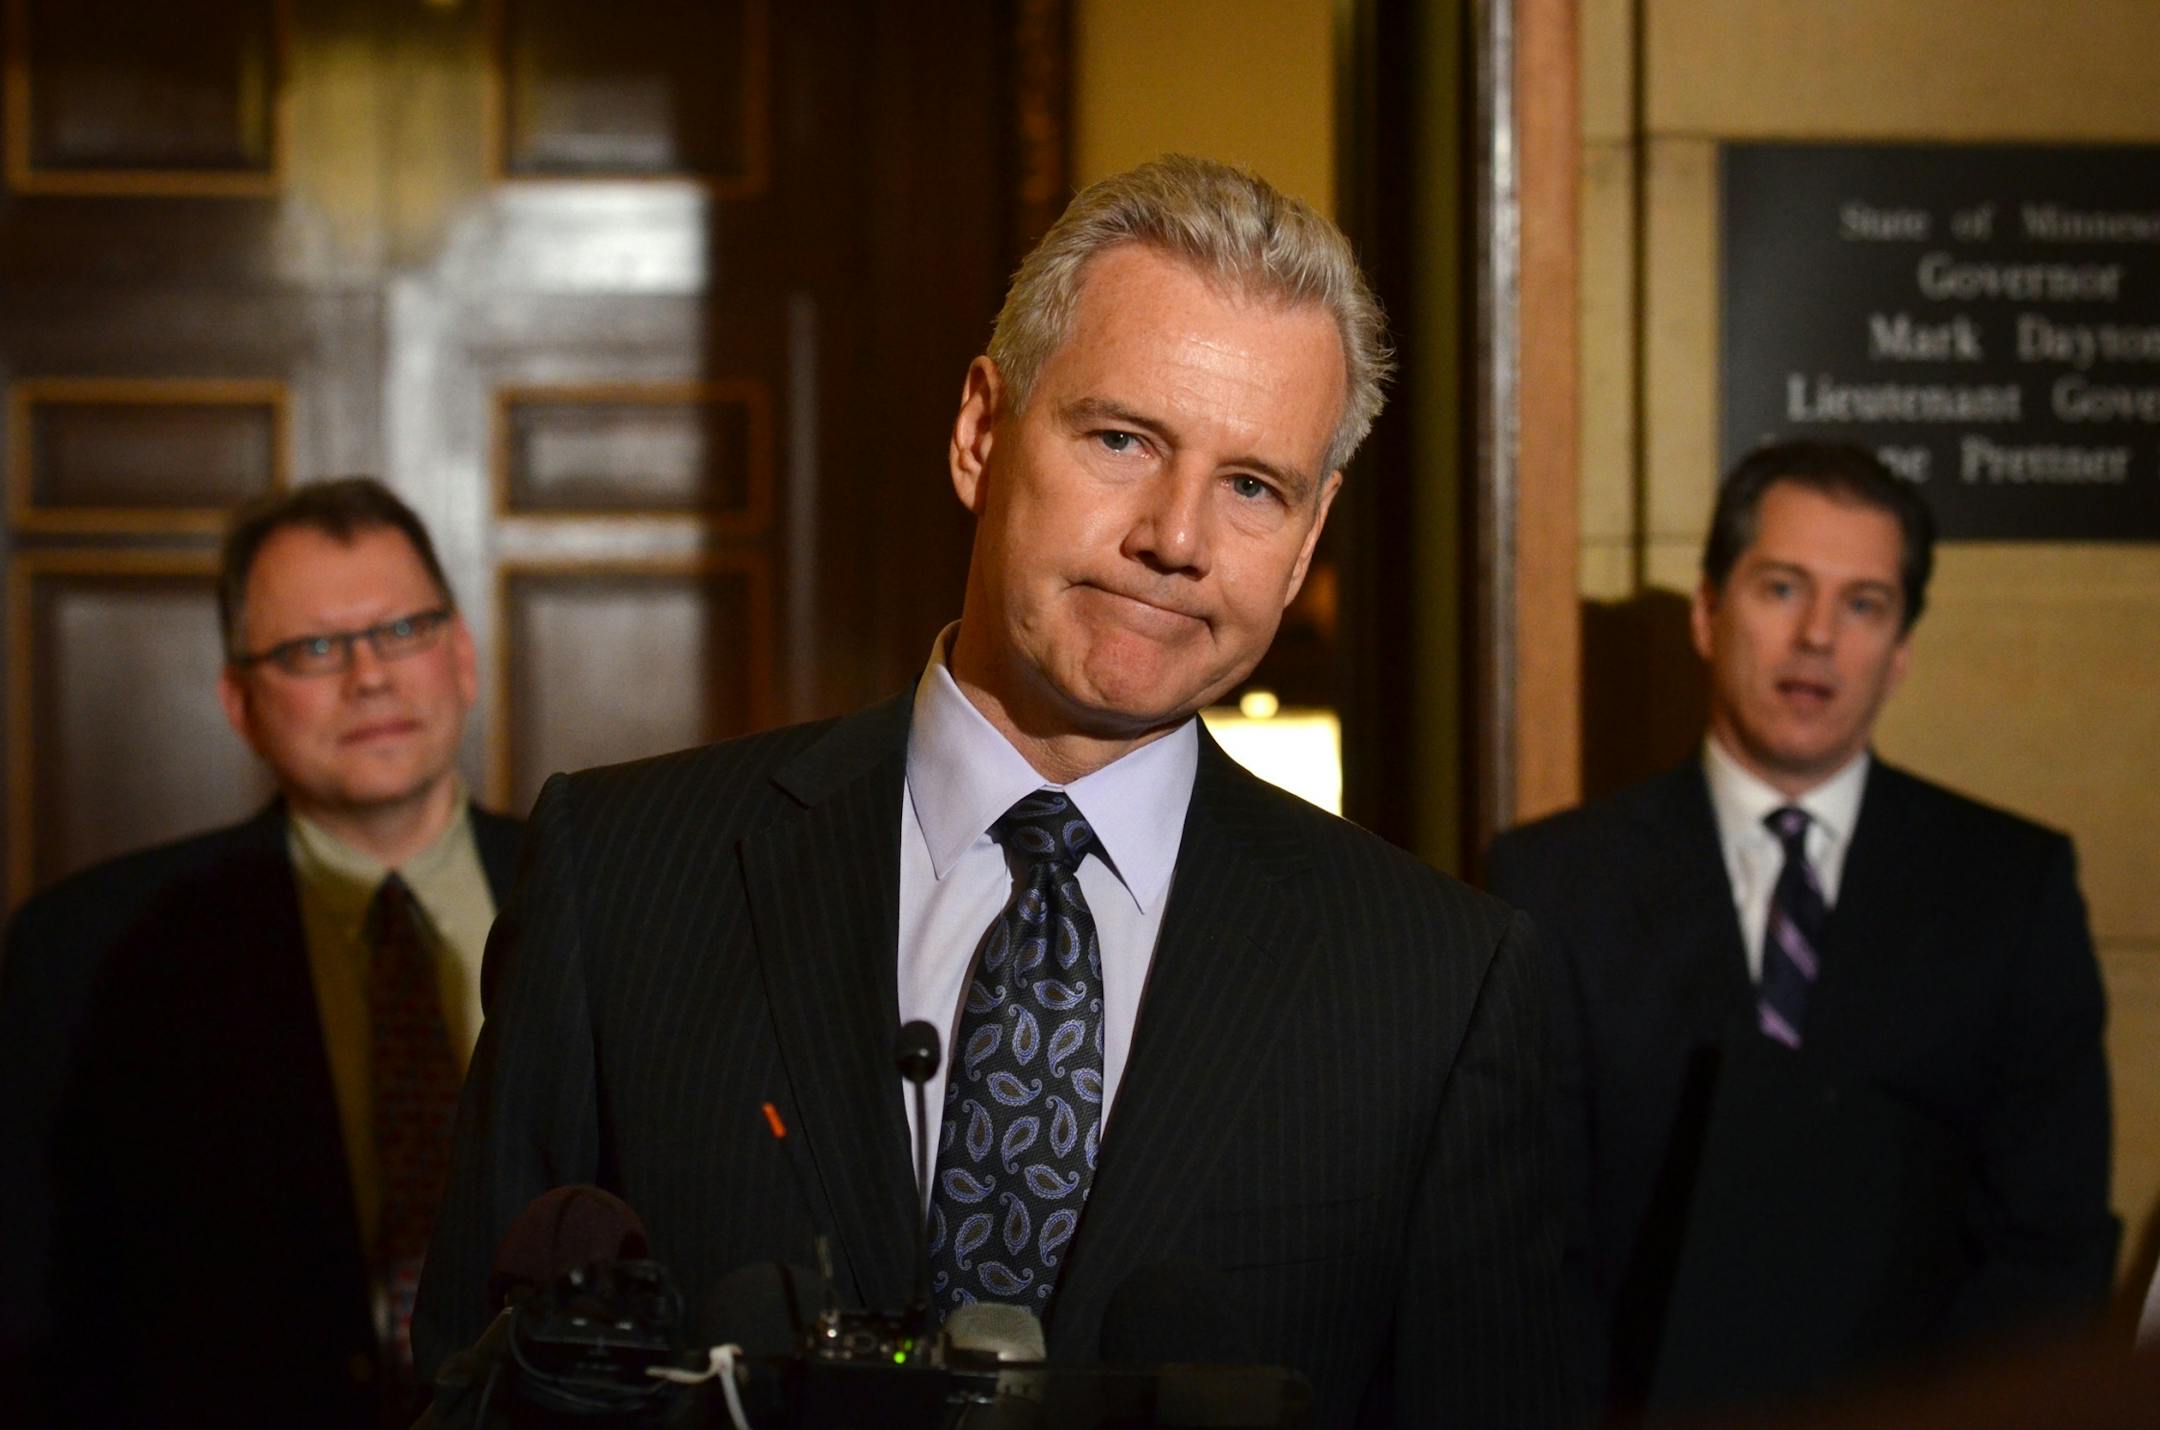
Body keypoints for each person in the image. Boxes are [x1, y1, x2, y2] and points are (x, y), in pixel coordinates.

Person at [413, 156, 1565, 1427]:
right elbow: (470, 1386)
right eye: (1124, 439)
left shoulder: (1442, 984)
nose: (1175, 537)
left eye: (1253, 486)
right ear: (980, 431)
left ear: (1307, 536)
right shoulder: (622, 875)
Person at [1488, 440, 2116, 1418]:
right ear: (1708, 610)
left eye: (1863, 604)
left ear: (1901, 648)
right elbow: (1524, 1253)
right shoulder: (1552, 882)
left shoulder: (2012, 886)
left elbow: (2051, 1244)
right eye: (1783, 587)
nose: (1819, 635)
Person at [0, 479, 524, 1429]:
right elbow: (36, 1317)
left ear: (462, 656)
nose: (370, 676)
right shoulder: (87, 946)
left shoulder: (602, 899)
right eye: (313, 648)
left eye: (404, 629)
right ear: (238, 701)